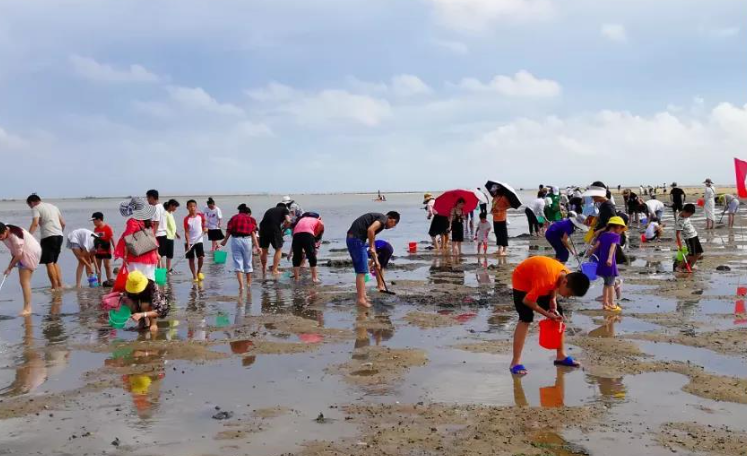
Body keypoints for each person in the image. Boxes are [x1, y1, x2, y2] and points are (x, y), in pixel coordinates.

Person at [509, 256, 590, 375]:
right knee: (525, 317)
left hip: (539, 276)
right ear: (565, 282)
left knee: (559, 313)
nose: (568, 297)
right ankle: (515, 363)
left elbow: (555, 282)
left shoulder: (566, 275)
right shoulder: (545, 282)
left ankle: (561, 356)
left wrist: (552, 299)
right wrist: (547, 314)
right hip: (522, 278)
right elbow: (528, 301)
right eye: (569, 293)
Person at [346, 212, 400, 307]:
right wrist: (371, 246)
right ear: (392, 220)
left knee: (362, 271)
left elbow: (372, 235)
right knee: (362, 271)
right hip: (356, 240)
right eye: (393, 225)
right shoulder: (383, 219)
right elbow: (370, 230)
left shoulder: (379, 221)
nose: (391, 227)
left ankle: (363, 296)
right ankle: (361, 299)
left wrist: (376, 260)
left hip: (355, 239)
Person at [0, 222, 41, 315]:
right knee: (23, 281)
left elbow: (19, 254)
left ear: (5, 230)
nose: (0, 239)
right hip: (22, 252)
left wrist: (9, 268)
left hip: (30, 253)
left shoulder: (15, 237)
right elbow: (14, 251)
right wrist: (12, 263)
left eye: (0, 236)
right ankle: (27, 307)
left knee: (24, 281)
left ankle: (27, 308)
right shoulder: (5, 228)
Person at [114, 197, 159, 280]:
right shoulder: (148, 222)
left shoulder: (132, 222)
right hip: (151, 257)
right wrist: (157, 254)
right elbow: (153, 240)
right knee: (150, 282)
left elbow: (128, 240)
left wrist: (125, 256)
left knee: (136, 283)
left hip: (137, 257)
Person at [26, 194, 65, 290]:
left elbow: (35, 223)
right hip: (59, 235)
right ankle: (60, 285)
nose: (30, 207)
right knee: (55, 262)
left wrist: (28, 237)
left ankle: (54, 286)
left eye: (29, 205)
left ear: (32, 202)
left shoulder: (36, 208)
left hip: (48, 236)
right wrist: (59, 232)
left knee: (49, 262)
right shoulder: (54, 207)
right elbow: (63, 223)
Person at [590, 216, 626, 312]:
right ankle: (611, 304)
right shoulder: (615, 236)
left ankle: (605, 304)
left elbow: (596, 246)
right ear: (617, 227)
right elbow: (612, 248)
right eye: (622, 228)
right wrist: (610, 259)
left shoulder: (603, 235)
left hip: (601, 262)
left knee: (606, 284)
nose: (622, 231)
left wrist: (590, 252)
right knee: (611, 284)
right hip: (609, 263)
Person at [221, 203, 260, 292]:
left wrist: (224, 241)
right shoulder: (251, 219)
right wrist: (257, 246)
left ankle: (241, 286)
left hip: (236, 240)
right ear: (248, 213)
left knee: (238, 262)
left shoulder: (234, 218)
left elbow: (229, 231)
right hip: (247, 240)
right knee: (248, 262)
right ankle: (249, 284)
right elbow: (253, 233)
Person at [259, 203, 291, 276]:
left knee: (264, 251)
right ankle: (275, 270)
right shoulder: (285, 209)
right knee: (278, 249)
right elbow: (288, 221)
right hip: (273, 229)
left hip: (263, 229)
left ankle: (264, 269)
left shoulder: (270, 210)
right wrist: (284, 230)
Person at [291, 214, 324, 283]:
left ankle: (296, 279)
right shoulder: (319, 221)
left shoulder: (301, 219)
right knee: (312, 256)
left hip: (296, 235)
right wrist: (315, 245)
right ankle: (314, 278)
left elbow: (293, 228)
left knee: (296, 256)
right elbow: (318, 234)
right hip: (308, 234)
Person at [183, 200, 207, 282]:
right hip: (189, 241)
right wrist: (188, 244)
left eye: (193, 206)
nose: (192, 208)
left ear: (196, 207)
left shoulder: (200, 216)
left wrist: (205, 228)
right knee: (191, 259)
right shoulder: (186, 219)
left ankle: (199, 271)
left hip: (199, 240)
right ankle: (194, 276)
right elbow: (186, 232)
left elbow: (204, 223)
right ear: (187, 208)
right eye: (190, 206)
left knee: (201, 257)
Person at [675, 204, 703, 271]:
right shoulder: (680, 221)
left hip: (694, 235)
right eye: (689, 214)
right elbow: (677, 234)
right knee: (691, 254)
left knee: (699, 252)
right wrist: (680, 245)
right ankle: (679, 267)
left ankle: (690, 267)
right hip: (689, 238)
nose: (689, 216)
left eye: (691, 215)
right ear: (684, 211)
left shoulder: (684, 214)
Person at [91, 212, 115, 286]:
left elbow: (112, 239)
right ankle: (98, 282)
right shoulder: (95, 229)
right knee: (98, 267)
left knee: (107, 266)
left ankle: (109, 281)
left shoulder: (107, 228)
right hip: (98, 251)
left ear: (99, 220)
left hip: (106, 250)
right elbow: (94, 240)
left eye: (94, 220)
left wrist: (115, 248)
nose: (93, 222)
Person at [146, 190, 167, 267]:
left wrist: (152, 236)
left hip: (158, 235)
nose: (147, 200)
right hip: (163, 234)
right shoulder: (161, 207)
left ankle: (158, 276)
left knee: (157, 256)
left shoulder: (156, 208)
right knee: (162, 256)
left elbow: (156, 223)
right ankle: (163, 274)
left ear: (151, 197)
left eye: (148, 198)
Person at [491, 189, 511, 256]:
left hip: (502, 218)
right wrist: (492, 210)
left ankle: (504, 250)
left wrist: (501, 208)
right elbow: (493, 206)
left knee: (503, 234)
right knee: (497, 234)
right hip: (495, 218)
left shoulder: (503, 198)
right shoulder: (494, 198)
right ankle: (499, 248)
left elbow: (509, 206)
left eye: (495, 191)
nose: (493, 192)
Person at [162, 200, 180, 273]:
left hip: (171, 236)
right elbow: (163, 225)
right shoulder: (165, 214)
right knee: (164, 254)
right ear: (170, 206)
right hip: (166, 237)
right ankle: (165, 269)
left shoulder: (171, 213)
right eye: (175, 206)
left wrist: (176, 233)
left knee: (169, 255)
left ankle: (168, 269)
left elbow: (172, 225)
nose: (175, 208)